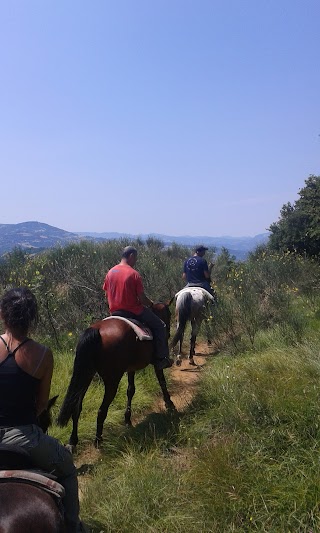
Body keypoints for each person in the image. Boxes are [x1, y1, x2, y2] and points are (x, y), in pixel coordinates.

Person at [0, 287, 83, 533]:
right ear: (32, 318)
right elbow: (41, 405)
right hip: (25, 436)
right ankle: (73, 525)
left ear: (2, 314)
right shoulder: (44, 355)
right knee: (67, 467)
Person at [102, 246, 173, 370]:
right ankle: (162, 359)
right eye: (135, 258)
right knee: (160, 326)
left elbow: (106, 293)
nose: (135, 261)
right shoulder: (134, 274)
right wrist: (150, 304)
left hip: (114, 312)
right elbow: (141, 298)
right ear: (131, 256)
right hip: (133, 311)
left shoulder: (110, 272)